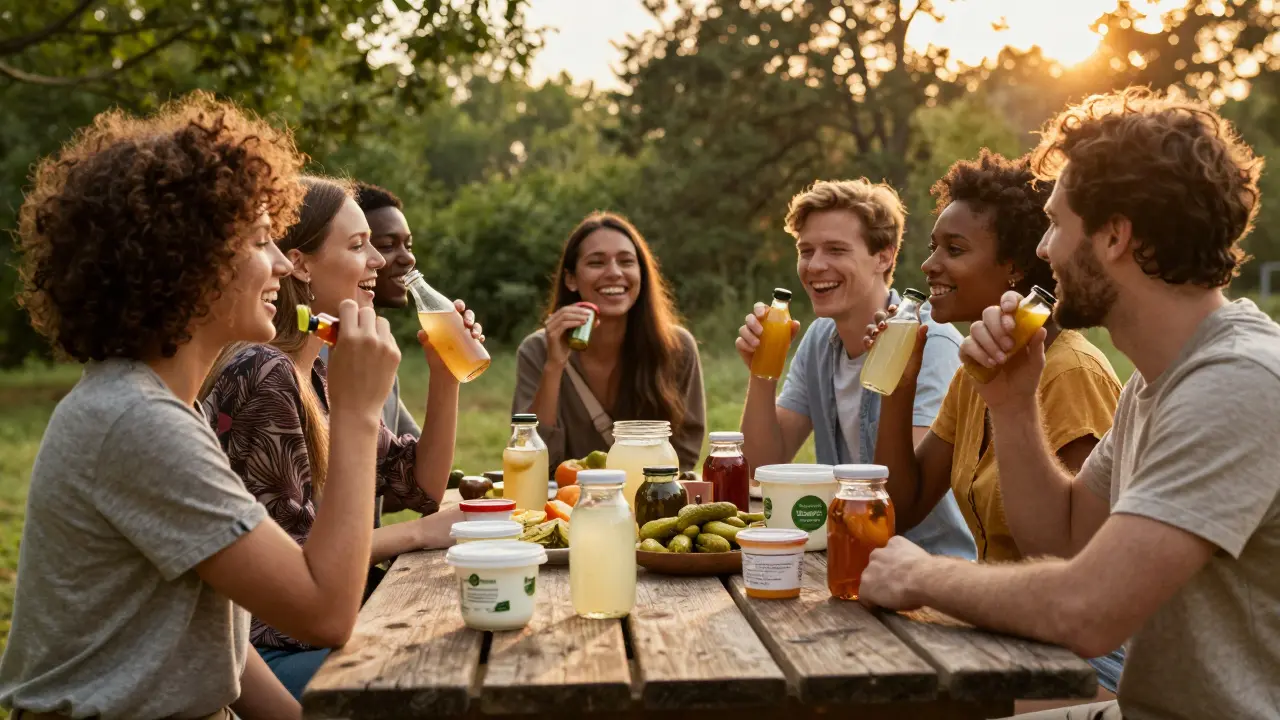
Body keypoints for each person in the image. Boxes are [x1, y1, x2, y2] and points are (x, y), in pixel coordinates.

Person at [859, 88, 1279, 720]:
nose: (1043, 250)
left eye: (1056, 224)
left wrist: (920, 576)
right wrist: (1010, 400)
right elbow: (1065, 536)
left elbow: (1088, 609)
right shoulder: (1154, 381)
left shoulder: (1238, 381)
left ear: (1114, 235)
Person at [0, 93, 399, 720]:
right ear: (189, 259)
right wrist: (356, 412)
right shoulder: (135, 421)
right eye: (262, 239)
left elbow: (221, 648)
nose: (277, 263)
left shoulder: (157, 406)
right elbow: (324, 612)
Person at [201, 176, 480, 699]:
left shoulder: (320, 372)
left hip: (321, 631)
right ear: (299, 264)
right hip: (272, 651)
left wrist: (446, 374)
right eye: (358, 246)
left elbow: (417, 486)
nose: (377, 260)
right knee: (448, 683)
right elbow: (301, 568)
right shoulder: (265, 374)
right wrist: (420, 535)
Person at [864, 151, 1125, 692]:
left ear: (1016, 266)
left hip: (1077, 658)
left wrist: (928, 578)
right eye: (934, 246)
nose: (929, 264)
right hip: (999, 633)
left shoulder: (1070, 373)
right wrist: (899, 378)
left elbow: (1074, 562)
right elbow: (904, 508)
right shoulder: (978, 370)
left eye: (953, 249)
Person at [736, 179, 975, 559]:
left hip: (924, 564)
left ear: (884, 257)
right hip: (848, 556)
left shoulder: (932, 342)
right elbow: (761, 465)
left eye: (836, 250)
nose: (815, 266)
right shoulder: (819, 339)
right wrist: (761, 374)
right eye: (806, 250)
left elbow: (902, 500)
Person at [514, 212, 707, 471]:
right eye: (596, 263)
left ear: (642, 273)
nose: (614, 273)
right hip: (563, 504)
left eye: (626, 261)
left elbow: (684, 455)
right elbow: (530, 460)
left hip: (648, 502)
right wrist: (554, 365)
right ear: (571, 278)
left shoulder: (677, 347)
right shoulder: (537, 350)